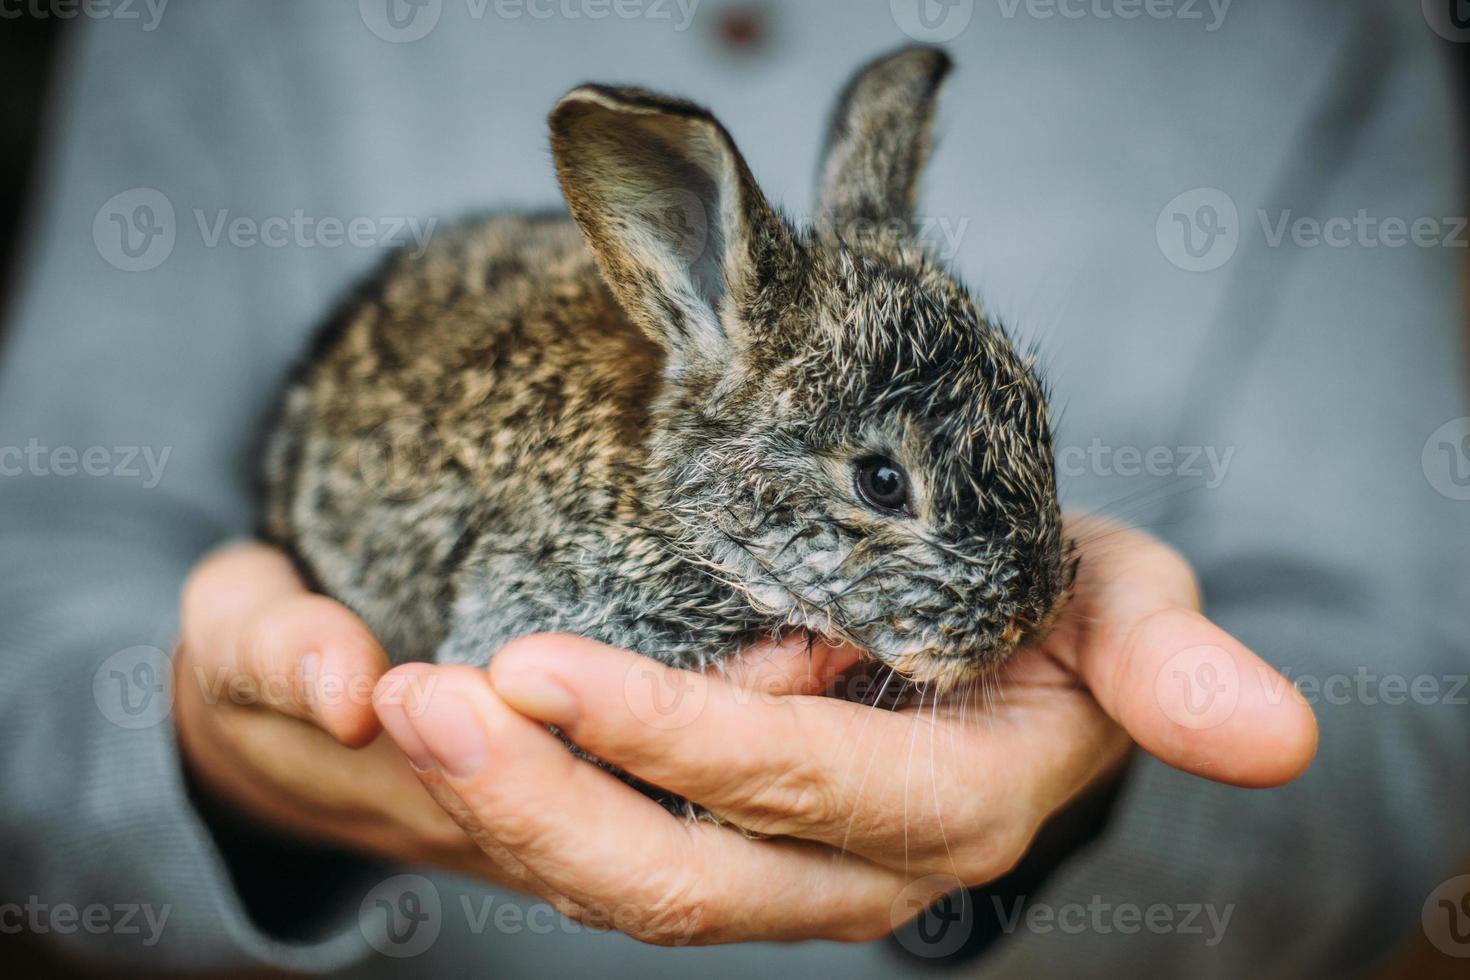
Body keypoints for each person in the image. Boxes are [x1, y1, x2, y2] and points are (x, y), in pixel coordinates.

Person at [0, 1, 1464, 976]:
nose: (1026, 604)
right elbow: (35, 606)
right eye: (879, 484)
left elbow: (1420, 723)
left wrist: (1083, 807)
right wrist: (233, 771)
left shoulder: (1319, 31)